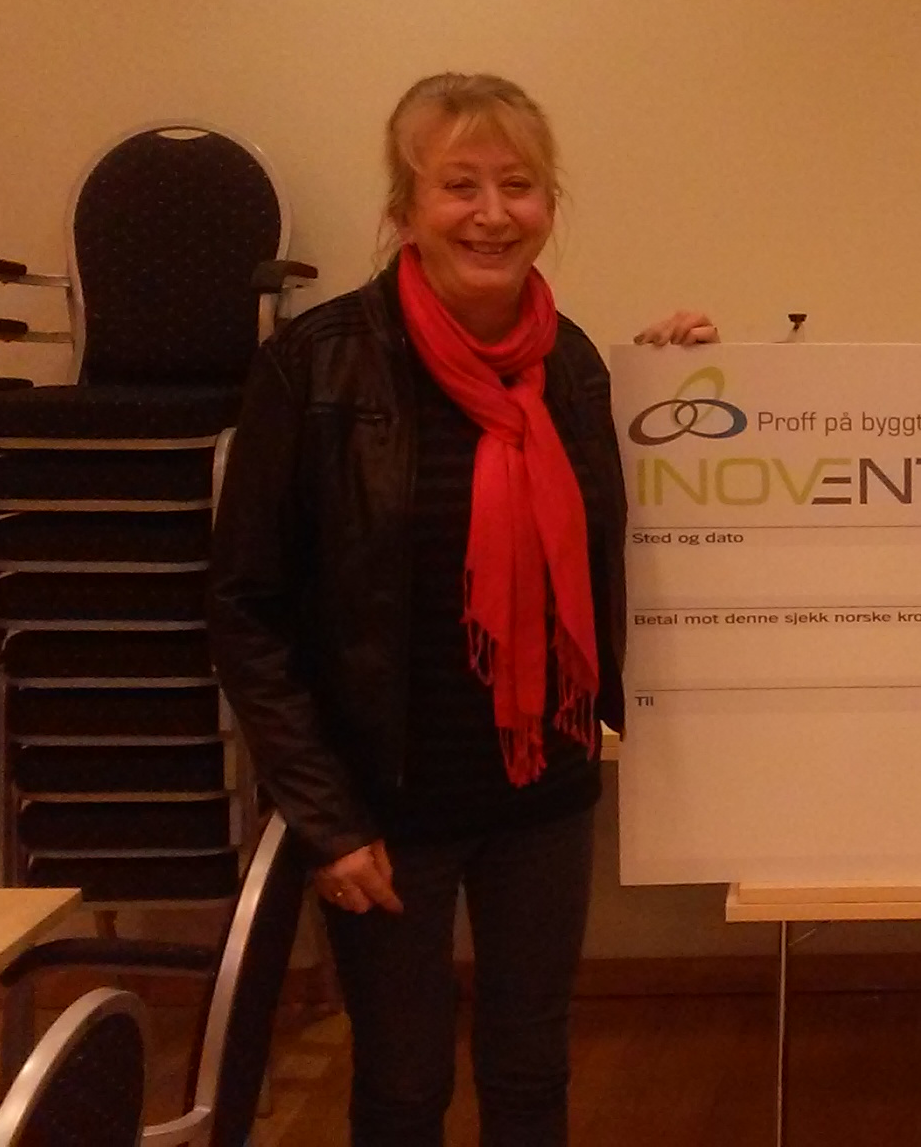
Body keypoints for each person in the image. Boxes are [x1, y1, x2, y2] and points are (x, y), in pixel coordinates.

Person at [209, 72, 712, 1146]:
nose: (492, 213)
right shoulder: (314, 366)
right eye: (459, 185)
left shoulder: (574, 364)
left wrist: (679, 381)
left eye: (517, 185)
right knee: (402, 1083)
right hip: (382, 810)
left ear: (549, 206)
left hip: (544, 792)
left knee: (531, 1069)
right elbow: (248, 610)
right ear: (406, 209)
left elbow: (615, 532)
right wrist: (326, 821)